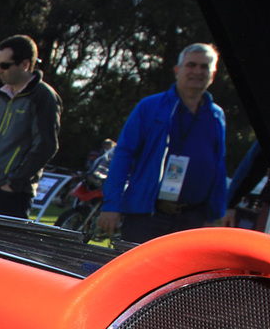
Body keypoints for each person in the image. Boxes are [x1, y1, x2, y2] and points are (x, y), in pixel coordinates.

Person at [98, 44, 228, 243]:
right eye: (191, 65)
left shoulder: (216, 115)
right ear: (177, 70)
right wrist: (111, 206)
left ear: (213, 73)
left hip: (193, 221)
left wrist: (216, 213)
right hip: (147, 217)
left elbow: (218, 167)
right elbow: (123, 156)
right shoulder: (150, 107)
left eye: (204, 67)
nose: (197, 71)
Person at [0, 34, 61, 218]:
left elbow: (46, 145)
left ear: (26, 65)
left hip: (11, 196)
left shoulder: (43, 97)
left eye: (5, 65)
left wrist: (13, 184)